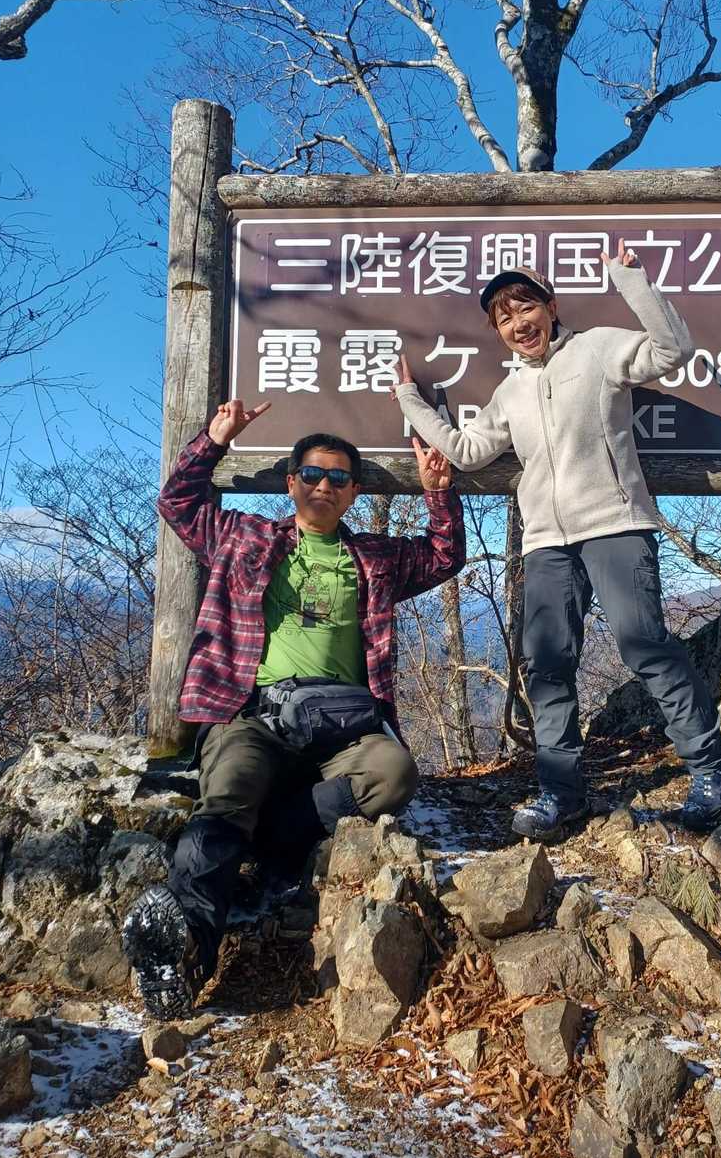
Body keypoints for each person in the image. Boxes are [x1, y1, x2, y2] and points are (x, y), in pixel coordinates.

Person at [123, 399, 465, 1019]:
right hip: (253, 714)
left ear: (354, 492)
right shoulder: (244, 537)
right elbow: (177, 502)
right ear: (291, 483)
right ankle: (187, 949)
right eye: (311, 474)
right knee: (228, 793)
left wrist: (438, 493)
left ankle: (274, 839)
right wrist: (214, 440)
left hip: (344, 726)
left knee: (392, 773)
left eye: (338, 478)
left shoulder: (374, 558)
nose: (323, 486)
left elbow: (444, 556)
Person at [393, 241, 721, 841]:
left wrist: (630, 279)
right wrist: (410, 401)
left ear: (551, 307)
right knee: (547, 664)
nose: (517, 324)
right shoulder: (511, 391)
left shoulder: (598, 348)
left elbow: (674, 350)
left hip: (615, 524)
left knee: (644, 646)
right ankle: (562, 793)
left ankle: (711, 765)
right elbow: (469, 452)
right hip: (546, 542)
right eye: (503, 317)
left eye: (526, 307)